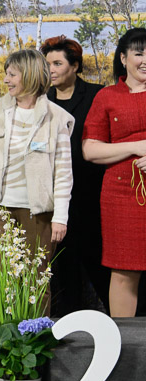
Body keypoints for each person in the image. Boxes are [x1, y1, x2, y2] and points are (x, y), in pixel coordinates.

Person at [0, 49, 74, 314]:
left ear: (29, 76)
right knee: (4, 280)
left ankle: (36, 334)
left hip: (39, 213)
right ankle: (6, 336)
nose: (6, 80)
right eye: (6, 74)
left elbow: (63, 174)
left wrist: (60, 217)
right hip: (2, 209)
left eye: (12, 74)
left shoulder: (56, 117)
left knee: (36, 280)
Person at [39, 35, 109, 316]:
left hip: (93, 195)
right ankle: (69, 327)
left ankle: (121, 326)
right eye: (47, 64)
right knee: (63, 271)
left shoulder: (97, 95)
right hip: (57, 201)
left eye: (57, 63)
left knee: (100, 266)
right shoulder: (42, 101)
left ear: (75, 66)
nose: (51, 70)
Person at [82, 28, 146, 318]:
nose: (145, 60)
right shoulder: (106, 97)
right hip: (121, 195)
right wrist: (136, 147)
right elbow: (90, 150)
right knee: (123, 272)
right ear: (123, 58)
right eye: (138, 53)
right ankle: (124, 339)